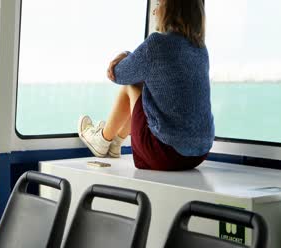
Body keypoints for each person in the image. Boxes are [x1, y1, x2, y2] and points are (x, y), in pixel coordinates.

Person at [78, 0, 214, 171]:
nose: (155, 10)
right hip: (198, 155)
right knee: (149, 85)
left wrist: (125, 54)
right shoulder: (200, 49)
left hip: (166, 155)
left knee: (133, 86)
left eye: (159, 4)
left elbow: (119, 75)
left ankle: (102, 140)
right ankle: (116, 143)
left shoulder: (157, 44)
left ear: (169, 10)